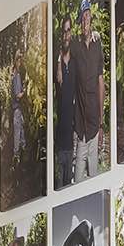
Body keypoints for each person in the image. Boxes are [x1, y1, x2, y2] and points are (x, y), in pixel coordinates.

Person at [59, 0, 105, 182]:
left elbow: (100, 82)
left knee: (94, 177)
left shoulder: (97, 43)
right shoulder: (76, 46)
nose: (85, 21)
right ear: (80, 22)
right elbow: (64, 54)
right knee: (78, 179)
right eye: (82, 18)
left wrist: (101, 123)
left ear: (91, 18)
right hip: (80, 124)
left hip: (94, 122)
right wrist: (57, 64)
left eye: (87, 16)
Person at [52, 11, 77, 186]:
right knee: (59, 184)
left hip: (73, 137)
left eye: (69, 30)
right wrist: (59, 62)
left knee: (70, 186)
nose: (66, 34)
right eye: (64, 31)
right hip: (60, 139)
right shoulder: (56, 59)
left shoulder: (76, 59)